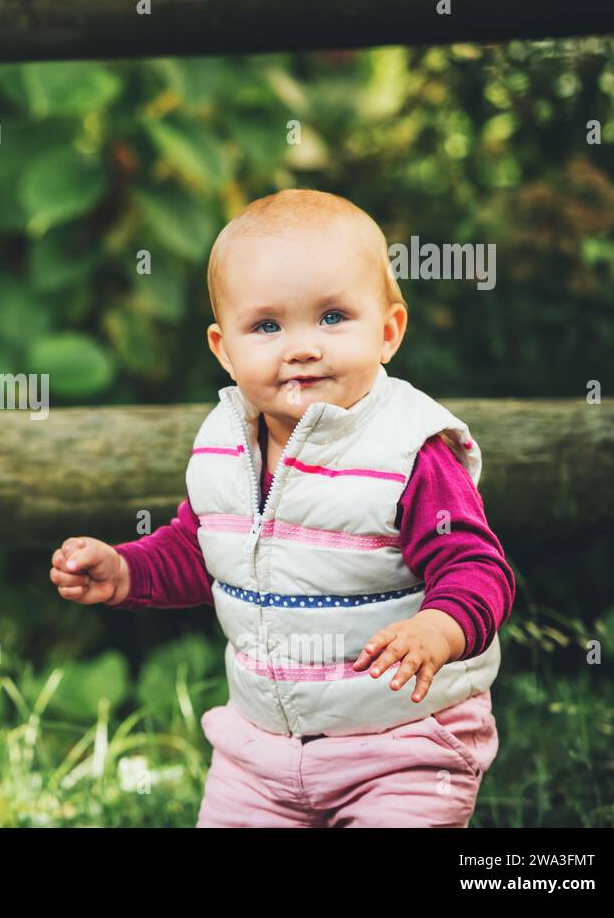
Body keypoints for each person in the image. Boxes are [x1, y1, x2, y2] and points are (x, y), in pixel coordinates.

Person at [50, 189, 514, 827]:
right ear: (224, 348)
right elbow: (201, 548)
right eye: (267, 326)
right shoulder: (224, 445)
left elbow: (477, 568)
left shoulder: (409, 450)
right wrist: (126, 571)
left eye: (332, 318)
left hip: (402, 741)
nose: (301, 347)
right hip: (260, 750)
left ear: (388, 332)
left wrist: (439, 629)